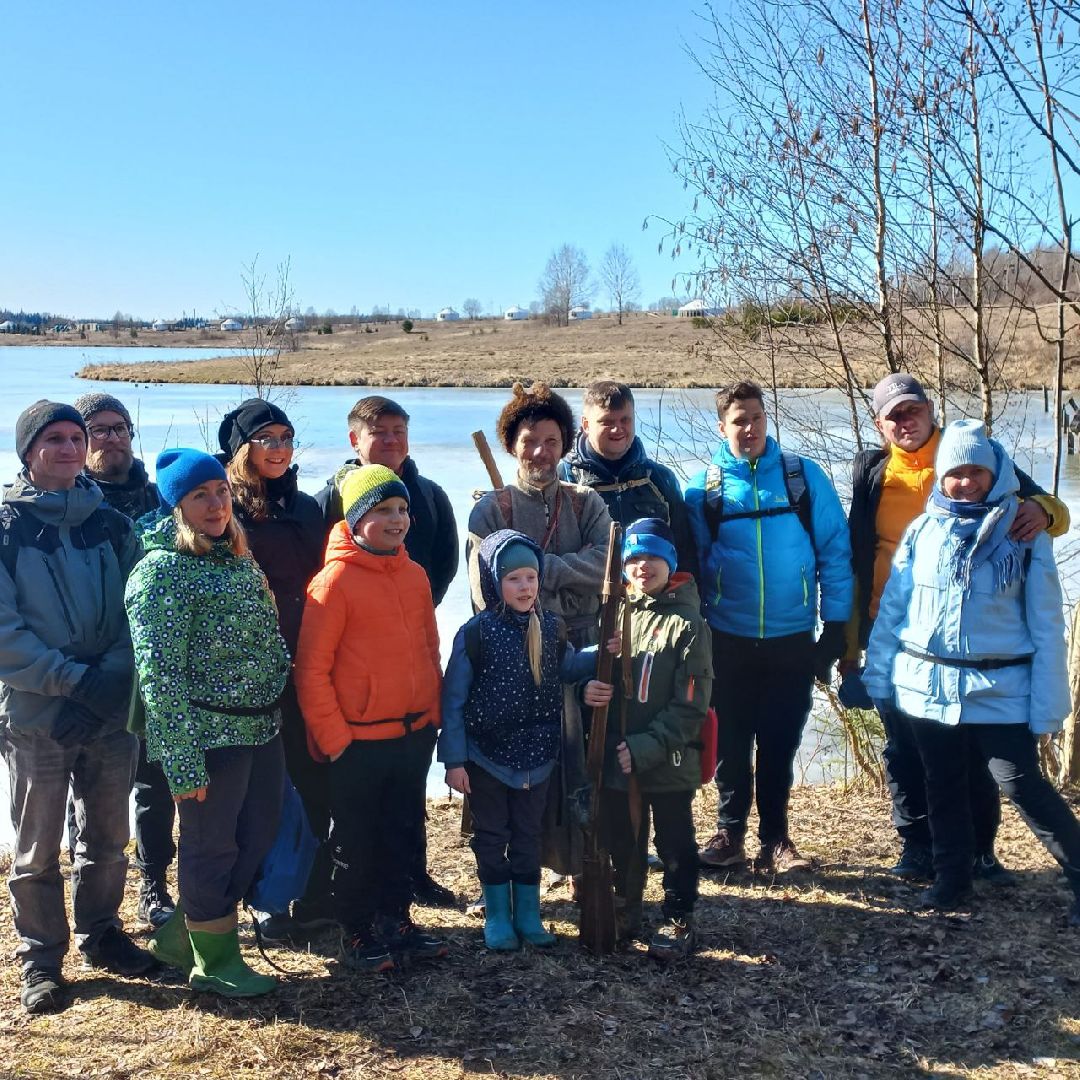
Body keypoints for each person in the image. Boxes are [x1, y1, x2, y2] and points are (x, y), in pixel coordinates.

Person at [844, 374, 1070, 882]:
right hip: (899, 631)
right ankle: (921, 851)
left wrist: (1044, 510)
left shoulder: (971, 454)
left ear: (930, 411)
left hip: (978, 643)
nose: (905, 422)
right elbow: (855, 554)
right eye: (893, 415)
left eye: (912, 410)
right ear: (880, 424)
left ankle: (980, 854)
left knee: (979, 764)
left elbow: (1047, 511)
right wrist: (852, 641)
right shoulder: (872, 472)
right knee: (908, 754)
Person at [0, 400, 156, 1016]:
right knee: (36, 846)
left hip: (110, 709)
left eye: (74, 437)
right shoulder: (7, 528)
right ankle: (40, 959)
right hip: (37, 714)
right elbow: (5, 632)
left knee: (109, 835)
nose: (67, 448)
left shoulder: (110, 523)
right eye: (54, 439)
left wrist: (107, 683)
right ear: (28, 451)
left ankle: (101, 934)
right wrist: (70, 682)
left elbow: (135, 614)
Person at [125, 449, 290, 998]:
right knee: (210, 846)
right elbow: (160, 678)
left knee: (260, 831)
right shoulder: (159, 574)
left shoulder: (237, 556)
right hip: (208, 736)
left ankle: (181, 934)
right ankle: (214, 961)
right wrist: (181, 760)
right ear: (177, 506)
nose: (216, 504)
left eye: (220, 491)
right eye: (200, 496)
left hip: (262, 726)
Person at [688, 381, 853, 873]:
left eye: (757, 417)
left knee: (780, 741)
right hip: (728, 637)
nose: (750, 428)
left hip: (791, 637)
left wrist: (837, 628)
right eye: (739, 420)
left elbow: (835, 552)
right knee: (732, 742)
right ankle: (729, 834)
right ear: (722, 428)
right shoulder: (706, 488)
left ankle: (777, 841)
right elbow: (691, 568)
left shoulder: (803, 478)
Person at [295, 464, 448, 973]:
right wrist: (335, 739)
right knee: (356, 841)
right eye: (383, 510)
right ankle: (357, 927)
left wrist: (433, 709)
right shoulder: (332, 581)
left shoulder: (415, 575)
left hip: (412, 734)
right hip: (357, 743)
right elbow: (311, 671)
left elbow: (429, 645)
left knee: (402, 833)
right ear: (357, 518)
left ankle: (396, 917)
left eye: (402, 509)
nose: (397, 519)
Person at [468, 381, 613, 885]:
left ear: (566, 444)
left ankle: (586, 859)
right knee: (530, 767)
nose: (541, 452)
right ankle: (531, 870)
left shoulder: (587, 503)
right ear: (513, 445)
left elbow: (605, 569)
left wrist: (540, 571)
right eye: (530, 440)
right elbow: (488, 595)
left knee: (586, 759)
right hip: (519, 661)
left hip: (585, 645)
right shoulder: (491, 511)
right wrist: (565, 589)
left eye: (552, 441)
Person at [315, 394, 457, 908]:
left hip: (409, 676)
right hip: (356, 692)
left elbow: (444, 562)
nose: (392, 440)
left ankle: (411, 881)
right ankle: (351, 910)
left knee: (406, 802)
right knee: (356, 817)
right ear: (356, 439)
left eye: (400, 429)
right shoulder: (330, 499)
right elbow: (321, 594)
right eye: (381, 432)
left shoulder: (432, 496)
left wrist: (405, 608)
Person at [438, 530, 602, 951]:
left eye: (531, 578)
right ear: (496, 583)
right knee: (493, 834)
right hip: (486, 757)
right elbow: (453, 701)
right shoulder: (476, 633)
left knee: (529, 833)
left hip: (539, 755)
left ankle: (528, 914)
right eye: (514, 579)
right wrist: (454, 760)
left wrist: (602, 653)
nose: (525, 587)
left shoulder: (551, 627)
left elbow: (564, 668)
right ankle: (498, 915)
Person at [218, 398, 332, 942]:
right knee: (261, 789)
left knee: (308, 780)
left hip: (309, 658)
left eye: (286, 438)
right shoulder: (227, 510)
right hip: (251, 668)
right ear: (243, 448)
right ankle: (259, 897)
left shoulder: (309, 508)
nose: (280, 449)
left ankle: (299, 891)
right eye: (267, 439)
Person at [583, 518, 713, 958]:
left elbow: (690, 705)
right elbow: (607, 683)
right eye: (634, 559)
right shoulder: (617, 613)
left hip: (668, 758)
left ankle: (679, 916)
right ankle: (624, 911)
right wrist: (593, 688)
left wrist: (645, 748)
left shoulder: (690, 625)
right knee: (623, 838)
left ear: (669, 563)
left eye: (652, 558)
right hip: (619, 755)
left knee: (674, 841)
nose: (642, 567)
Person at [72, 391, 174, 930]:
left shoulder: (162, 501)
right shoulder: (73, 504)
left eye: (120, 428)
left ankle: (154, 884)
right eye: (99, 429)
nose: (111, 438)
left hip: (155, 663)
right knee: (89, 791)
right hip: (94, 668)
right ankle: (86, 896)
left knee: (156, 783)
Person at [558, 380, 697, 575]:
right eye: (607, 422)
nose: (618, 429)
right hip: (587, 600)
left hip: (653, 603)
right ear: (586, 425)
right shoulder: (563, 480)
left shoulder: (659, 479)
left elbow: (685, 553)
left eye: (625, 420)